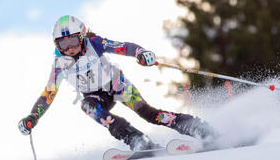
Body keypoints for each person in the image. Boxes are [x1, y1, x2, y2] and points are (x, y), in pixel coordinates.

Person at [18, 15, 216, 152]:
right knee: (87, 107)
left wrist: (141, 54)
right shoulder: (59, 64)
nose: (69, 48)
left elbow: (125, 47)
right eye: (62, 44)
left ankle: (198, 128)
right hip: (96, 96)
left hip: (116, 85)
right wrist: (34, 116)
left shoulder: (94, 43)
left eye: (72, 41)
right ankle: (136, 139)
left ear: (81, 36)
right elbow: (48, 94)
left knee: (148, 113)